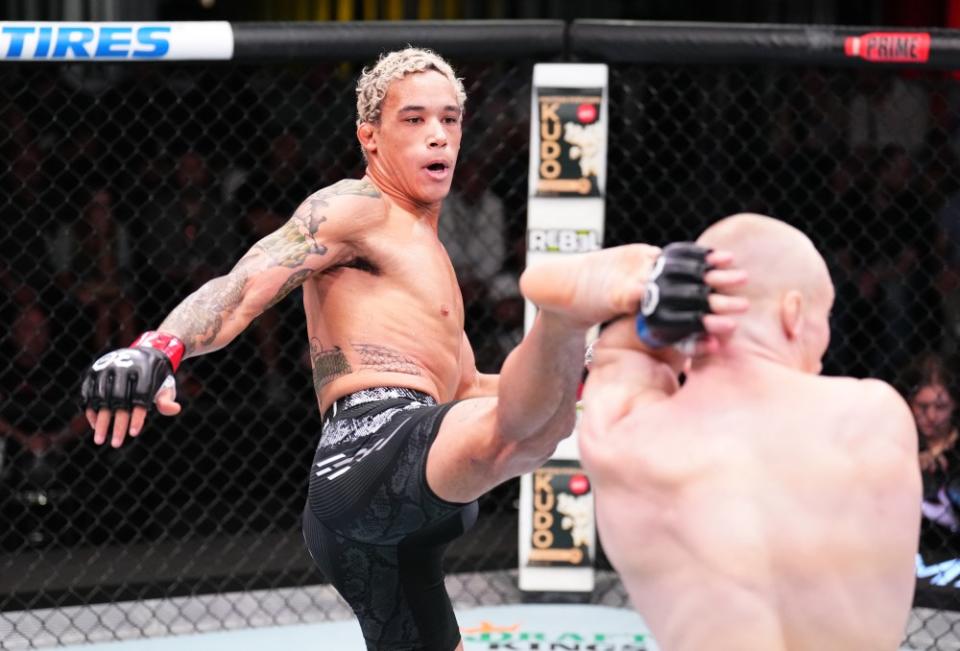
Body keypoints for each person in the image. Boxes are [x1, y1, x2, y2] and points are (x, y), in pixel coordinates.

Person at [79, 48, 745, 651]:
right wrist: (157, 348)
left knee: (536, 424)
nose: (438, 135)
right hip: (368, 452)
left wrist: (591, 374)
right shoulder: (352, 209)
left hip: (397, 508)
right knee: (520, 439)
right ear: (369, 137)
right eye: (415, 119)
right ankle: (566, 308)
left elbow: (474, 391)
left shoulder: (430, 260)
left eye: (451, 119)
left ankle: (579, 336)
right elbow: (241, 287)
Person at [580, 213, 922, 651]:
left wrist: (654, 305)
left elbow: (609, 346)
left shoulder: (621, 438)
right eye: (826, 314)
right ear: (794, 313)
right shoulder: (875, 416)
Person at [899, 353, 960, 541]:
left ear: (955, 405)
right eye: (923, 406)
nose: (932, 416)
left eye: (941, 407)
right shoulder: (896, 439)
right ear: (909, 403)